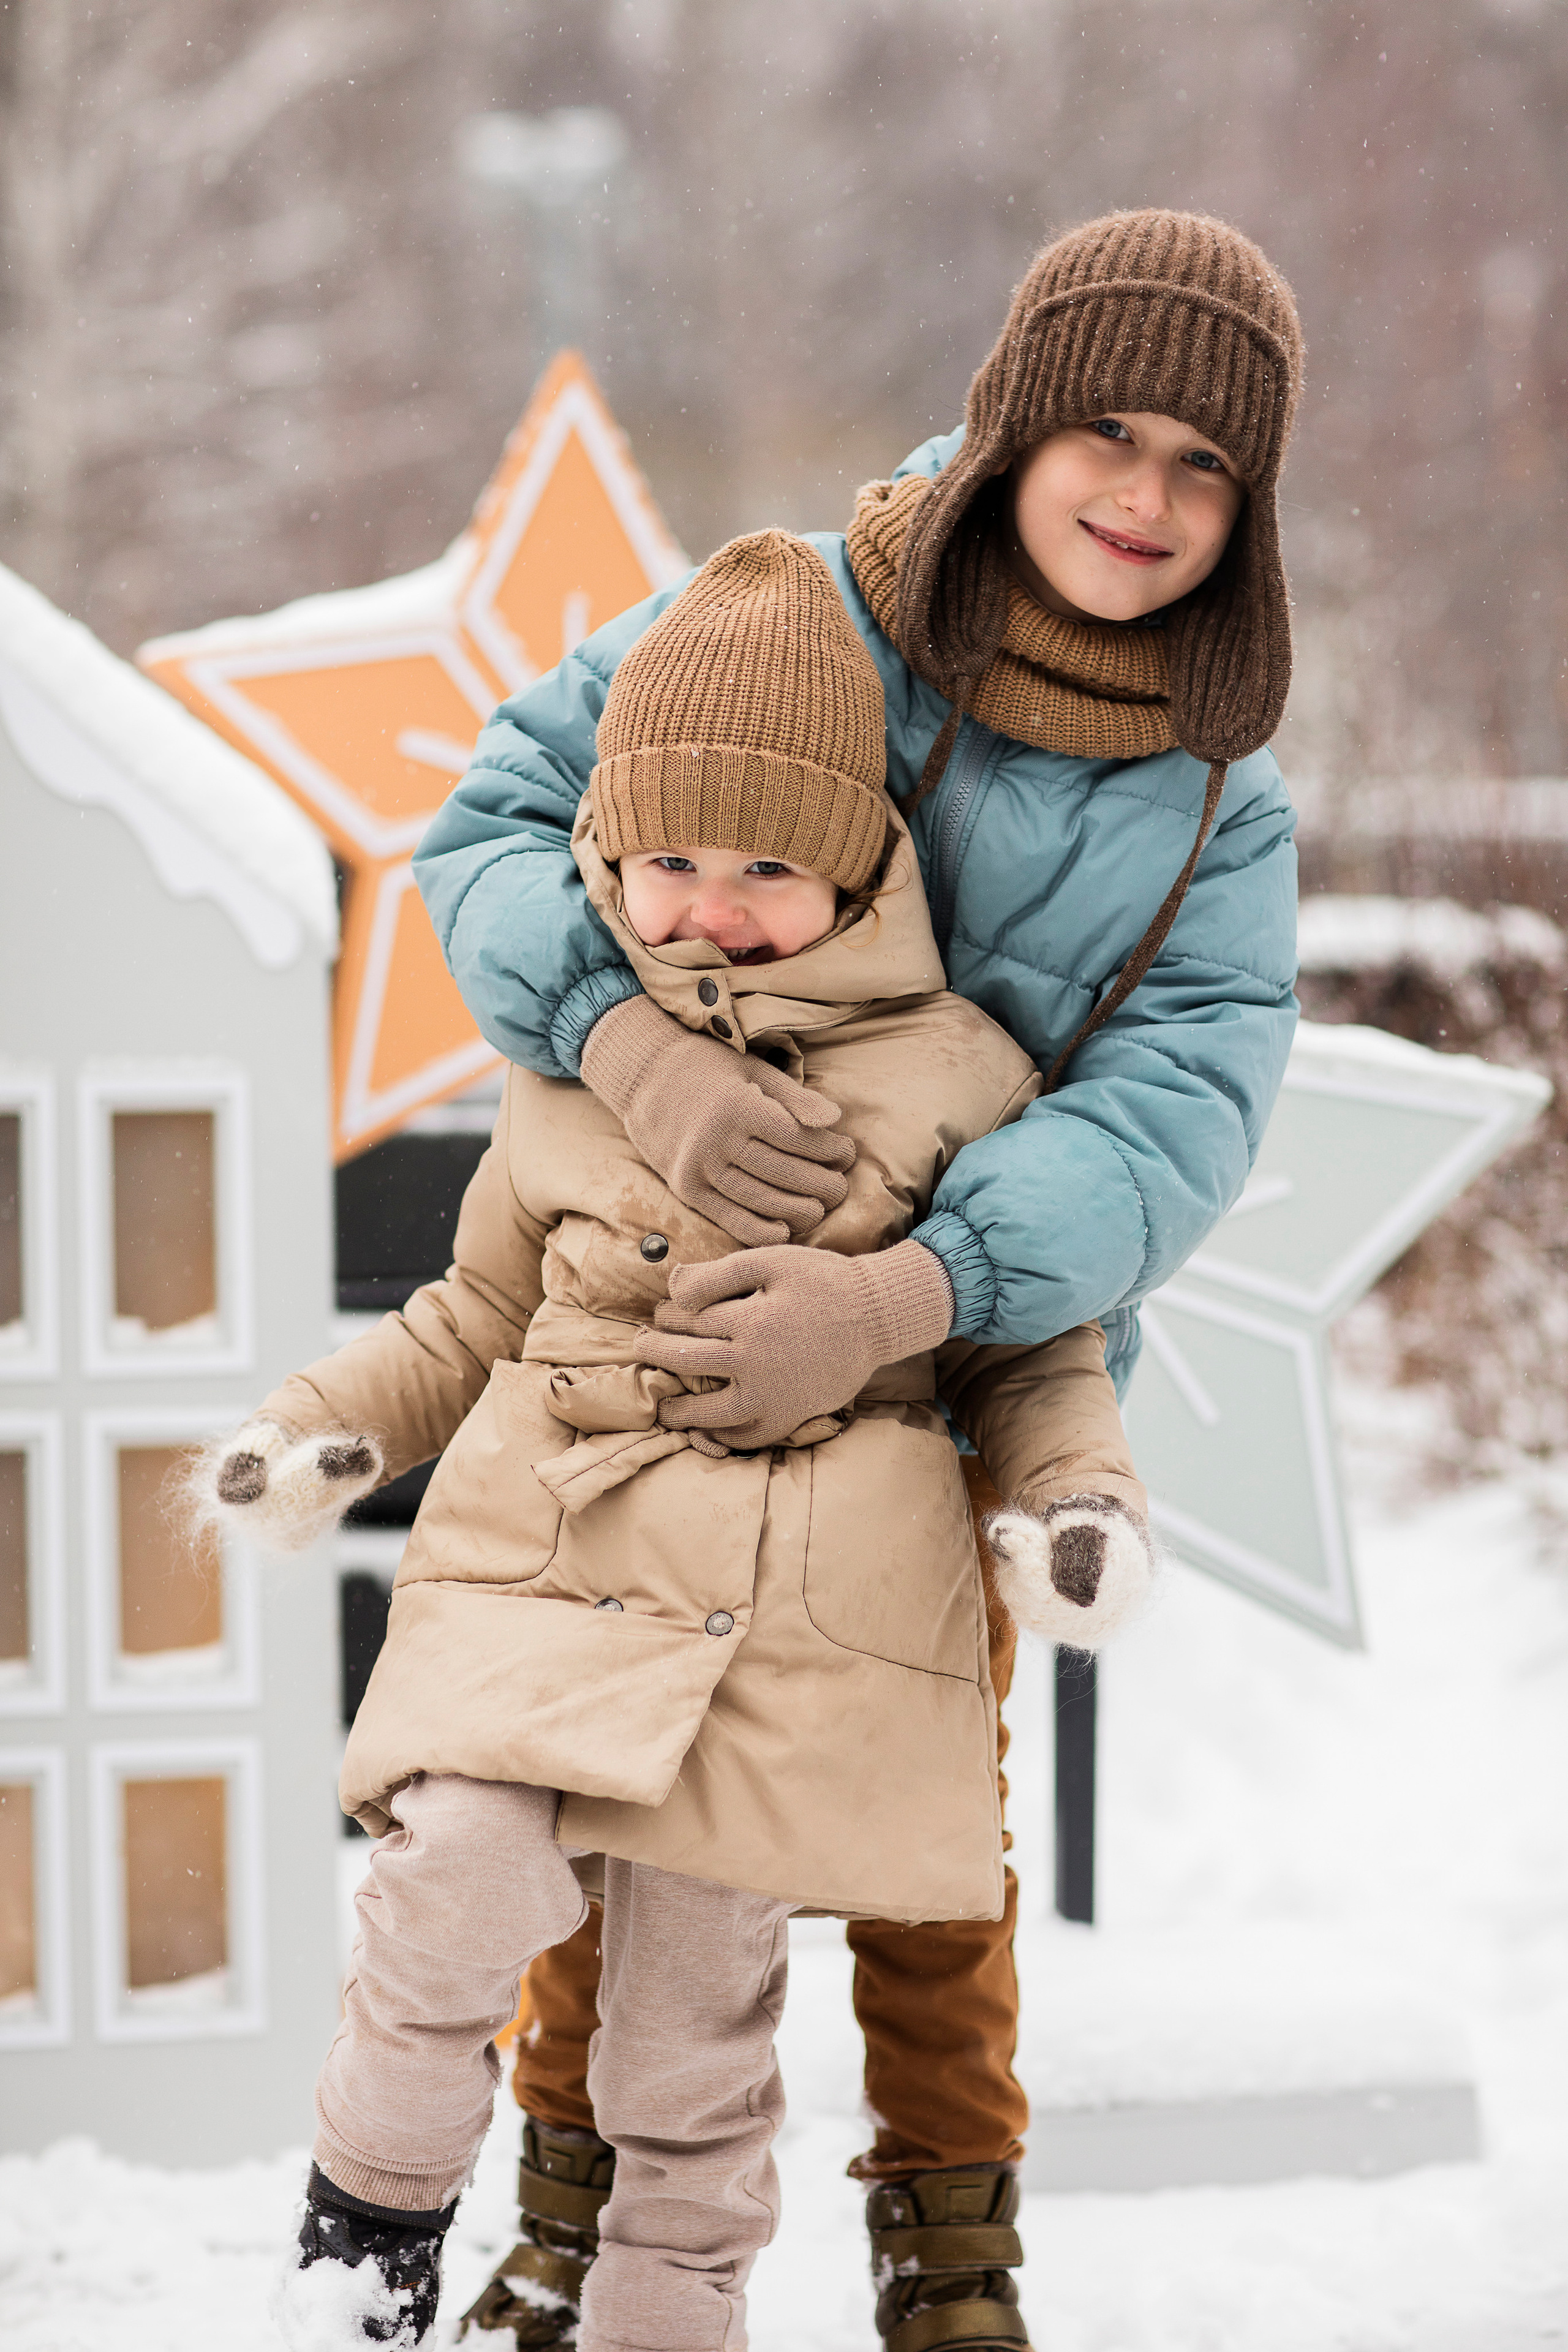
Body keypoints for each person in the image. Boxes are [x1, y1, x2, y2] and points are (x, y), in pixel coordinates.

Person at [413, 208, 1304, 2352]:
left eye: (1204, 467)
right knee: (595, 1760)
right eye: (1107, 433)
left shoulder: (1214, 802)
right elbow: (491, 826)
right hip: (663, 1324)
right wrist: (626, 1045)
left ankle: (952, 2252)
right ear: (1014, 426)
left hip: (947, 1368)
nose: (1143, 497)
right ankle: (568, 2214)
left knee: (927, 1833)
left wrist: (916, 1292)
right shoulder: (796, 606)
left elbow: (1182, 1111)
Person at [198, 530, 1152, 2352]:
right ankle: (361, 2259)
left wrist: (1073, 1501)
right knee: (453, 1875)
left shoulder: (960, 1079)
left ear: (861, 860)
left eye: (762, 867)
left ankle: (669, 2323)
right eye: (664, 862)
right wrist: (323, 1433)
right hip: (552, 1559)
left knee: (692, 2045)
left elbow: (1028, 1345)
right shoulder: (574, 1067)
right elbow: (468, 1315)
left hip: (779, 1639)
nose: (704, 906)